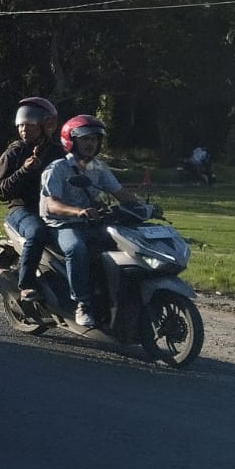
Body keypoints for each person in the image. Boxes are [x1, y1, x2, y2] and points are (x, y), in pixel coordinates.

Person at [39, 114, 150, 330]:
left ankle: (119, 301)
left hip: (92, 223)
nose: (90, 143)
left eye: (94, 139)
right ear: (71, 141)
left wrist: (145, 208)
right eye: (84, 139)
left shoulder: (99, 168)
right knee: (77, 248)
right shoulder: (58, 168)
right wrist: (77, 211)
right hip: (61, 224)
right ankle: (83, 303)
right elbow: (50, 204)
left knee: (125, 247)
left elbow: (120, 192)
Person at [0, 96, 63, 299]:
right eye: (21, 124)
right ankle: (27, 285)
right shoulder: (14, 152)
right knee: (37, 232)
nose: (24, 129)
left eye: (30, 124)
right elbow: (1, 192)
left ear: (44, 125)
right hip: (21, 210)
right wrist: (24, 170)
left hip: (54, 209)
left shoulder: (58, 153)